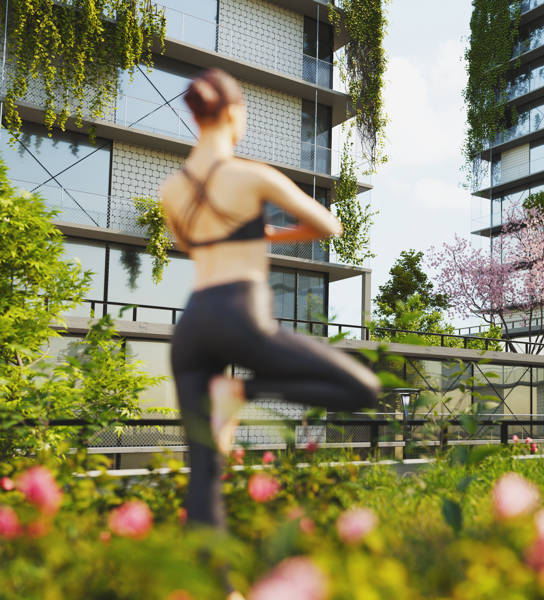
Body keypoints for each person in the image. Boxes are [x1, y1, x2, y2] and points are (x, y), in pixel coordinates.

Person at [160, 68, 380, 529]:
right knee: (362, 387)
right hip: (241, 315)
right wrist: (271, 232)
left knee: (204, 467)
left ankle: (213, 586)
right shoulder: (250, 175)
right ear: (234, 112)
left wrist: (241, 232)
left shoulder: (171, 190)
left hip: (194, 325)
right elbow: (327, 224)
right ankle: (242, 391)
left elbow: (189, 245)